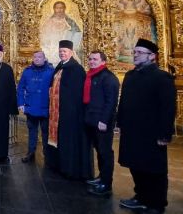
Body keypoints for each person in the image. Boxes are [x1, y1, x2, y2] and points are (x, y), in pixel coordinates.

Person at [117, 39, 176, 213]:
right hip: (132, 131)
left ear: (152, 56)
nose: (135, 55)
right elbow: (124, 102)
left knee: (154, 169)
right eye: (134, 52)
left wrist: (165, 134)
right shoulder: (130, 75)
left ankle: (157, 203)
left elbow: (168, 108)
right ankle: (140, 196)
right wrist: (119, 122)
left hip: (151, 133)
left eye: (139, 53)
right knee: (136, 165)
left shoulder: (162, 77)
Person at [46, 40, 93, 180]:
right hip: (57, 112)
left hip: (70, 113)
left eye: (65, 51)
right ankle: (59, 165)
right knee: (59, 138)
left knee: (68, 140)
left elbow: (77, 94)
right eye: (60, 51)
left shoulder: (76, 69)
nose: (62, 53)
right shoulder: (60, 67)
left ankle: (69, 168)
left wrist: (69, 109)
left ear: (71, 53)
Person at [83, 51, 120, 196]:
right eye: (90, 59)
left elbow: (111, 102)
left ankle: (106, 183)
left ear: (103, 61)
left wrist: (104, 121)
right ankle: (101, 177)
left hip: (102, 122)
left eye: (95, 59)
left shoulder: (108, 78)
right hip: (92, 119)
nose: (92, 61)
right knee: (99, 150)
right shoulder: (91, 75)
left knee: (105, 152)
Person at [16, 51, 54, 163]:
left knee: (46, 132)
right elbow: (20, 88)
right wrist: (21, 103)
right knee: (32, 132)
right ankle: (30, 153)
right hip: (31, 106)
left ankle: (47, 155)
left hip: (45, 107)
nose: (37, 59)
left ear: (44, 58)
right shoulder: (27, 72)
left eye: (39, 57)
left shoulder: (51, 72)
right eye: (35, 57)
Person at [40, 1, 83, 67]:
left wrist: (72, 46)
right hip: (51, 47)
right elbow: (43, 37)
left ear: (64, 9)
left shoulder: (69, 21)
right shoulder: (49, 22)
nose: (59, 10)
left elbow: (77, 33)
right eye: (57, 8)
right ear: (54, 9)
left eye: (61, 8)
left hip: (65, 47)